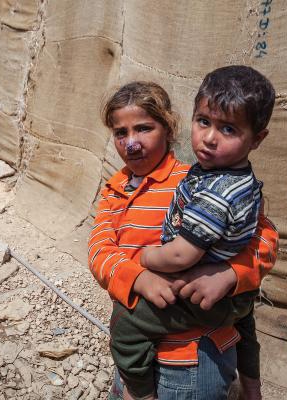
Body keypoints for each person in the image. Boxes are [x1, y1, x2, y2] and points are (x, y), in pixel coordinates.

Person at [88, 78, 277, 400]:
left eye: (144, 129)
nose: (131, 143)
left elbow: (265, 238)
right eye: (121, 133)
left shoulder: (198, 181)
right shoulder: (113, 191)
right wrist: (137, 278)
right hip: (138, 357)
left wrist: (230, 275)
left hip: (194, 361)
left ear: (168, 127)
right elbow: (98, 251)